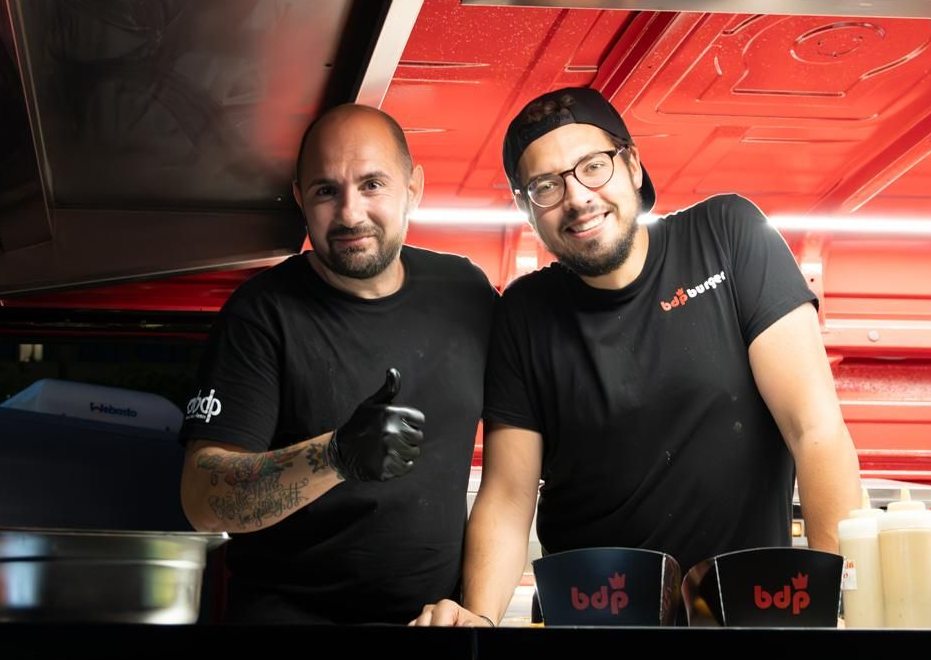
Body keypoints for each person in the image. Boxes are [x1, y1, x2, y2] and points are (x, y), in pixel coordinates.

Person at [412, 87, 861, 627]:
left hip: (746, 619)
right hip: (593, 630)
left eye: (593, 167)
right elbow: (508, 499)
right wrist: (479, 620)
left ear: (632, 164)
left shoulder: (727, 236)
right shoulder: (524, 314)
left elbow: (814, 430)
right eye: (546, 186)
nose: (576, 197)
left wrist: (838, 601)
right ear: (526, 209)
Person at [179, 104, 496, 624]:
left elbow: (511, 473)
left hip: (432, 632)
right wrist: (334, 455)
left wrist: (478, 613)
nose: (349, 213)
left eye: (372, 184)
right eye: (327, 190)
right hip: (291, 644)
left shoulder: (466, 291)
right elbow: (202, 498)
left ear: (413, 187)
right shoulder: (262, 311)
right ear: (302, 198)